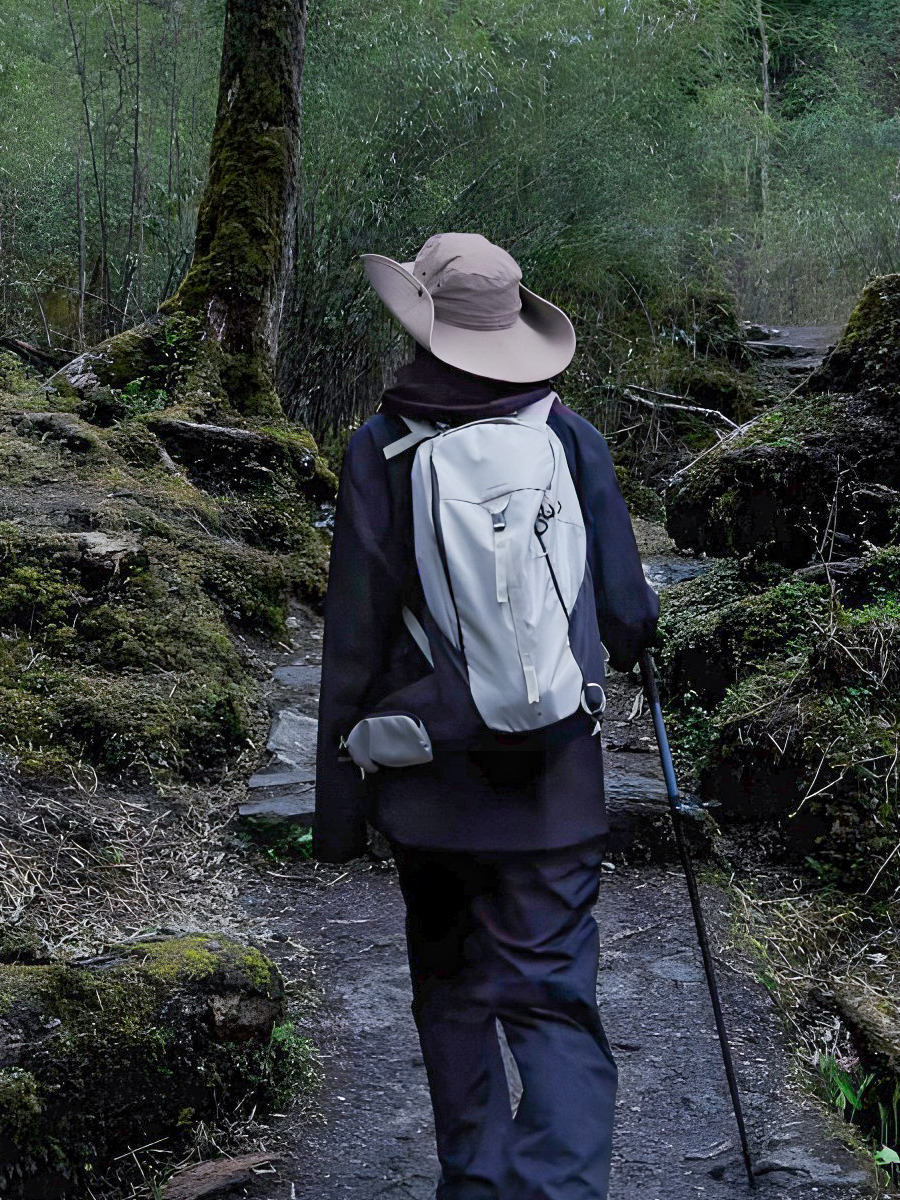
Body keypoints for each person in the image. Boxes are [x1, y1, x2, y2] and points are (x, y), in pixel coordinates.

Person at [314, 232, 659, 1200]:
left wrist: (340, 820)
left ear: (422, 332)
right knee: (554, 1011)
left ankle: (475, 1185)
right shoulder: (570, 439)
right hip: (556, 794)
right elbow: (630, 619)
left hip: (433, 799)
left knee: (457, 1006)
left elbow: (352, 647)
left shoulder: (379, 449)